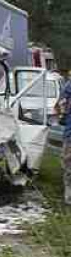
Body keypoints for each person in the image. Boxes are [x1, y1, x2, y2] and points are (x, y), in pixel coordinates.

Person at [56, 72, 71, 205]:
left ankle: (69, 196)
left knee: (68, 166)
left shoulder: (68, 87)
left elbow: (60, 109)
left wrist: (62, 117)